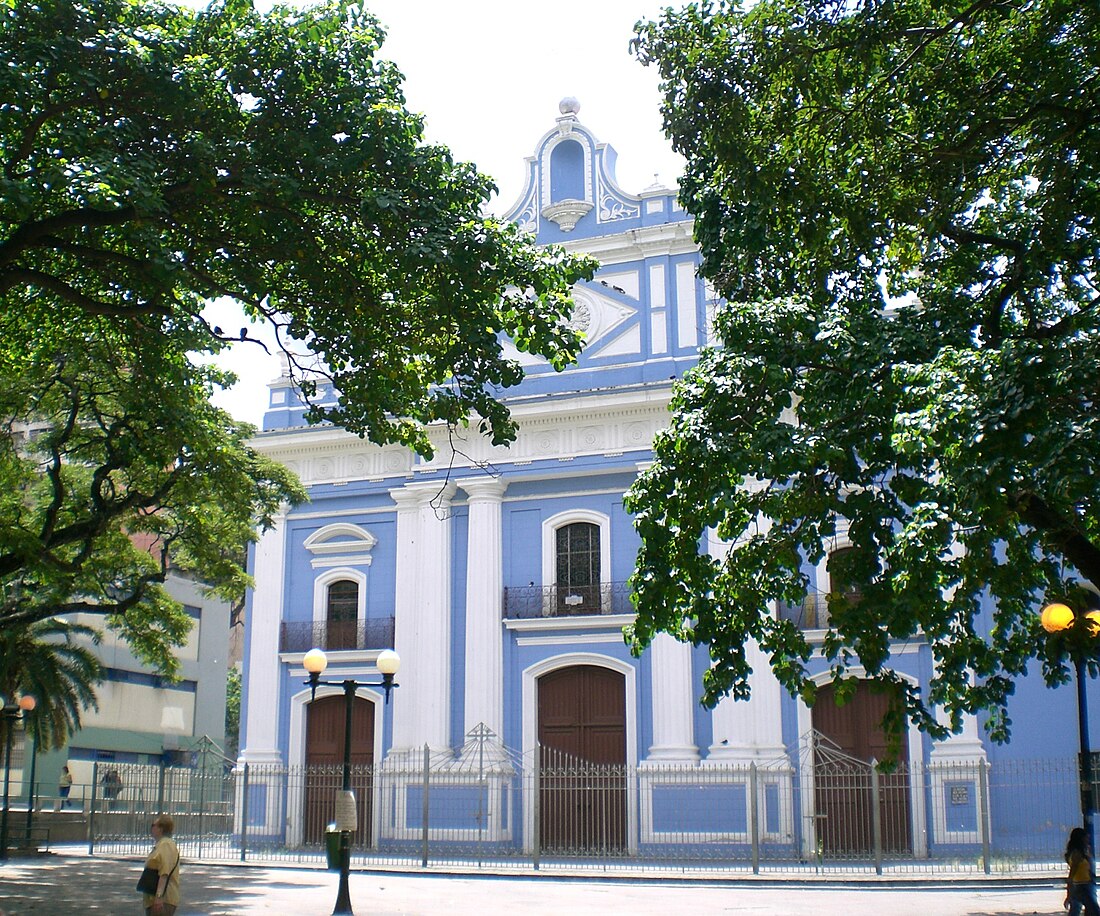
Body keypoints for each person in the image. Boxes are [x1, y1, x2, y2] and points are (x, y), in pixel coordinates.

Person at [142, 814, 181, 915]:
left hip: (163, 899)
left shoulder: (165, 845)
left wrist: (159, 897)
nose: (151, 828)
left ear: (161, 828)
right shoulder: (162, 844)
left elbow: (164, 872)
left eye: (153, 825)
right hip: (156, 898)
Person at [1065, 826, 1100, 916]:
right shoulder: (1077, 854)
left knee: (1075, 912)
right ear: (1080, 839)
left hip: (1082, 885)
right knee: (1095, 911)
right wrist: (1069, 893)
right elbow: (1072, 874)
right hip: (1083, 886)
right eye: (1085, 837)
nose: (1087, 839)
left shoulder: (1080, 852)